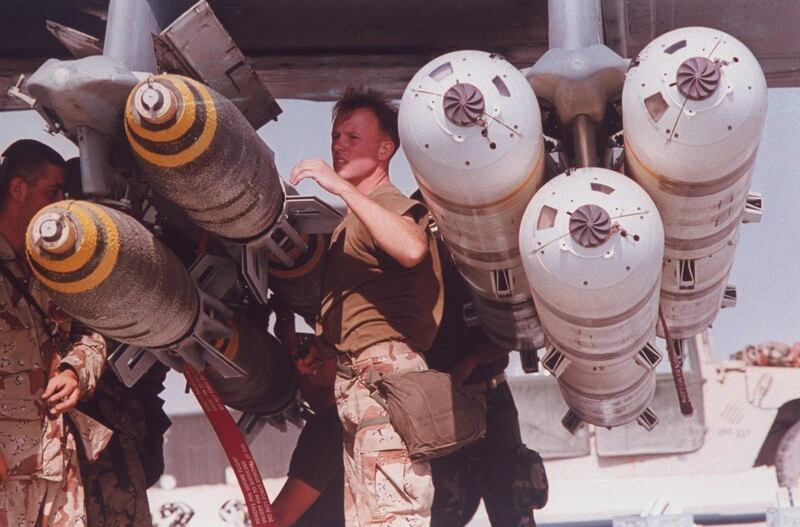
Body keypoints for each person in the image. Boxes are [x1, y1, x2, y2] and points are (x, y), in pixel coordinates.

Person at [290, 87, 444, 526]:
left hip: (386, 386)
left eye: (352, 138)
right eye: (335, 137)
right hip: (357, 388)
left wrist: (339, 186)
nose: (338, 146)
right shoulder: (353, 221)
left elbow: (412, 248)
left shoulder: (391, 206)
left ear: (385, 148)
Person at [0, 139, 111, 526]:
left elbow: (92, 331)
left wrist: (74, 371)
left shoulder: (54, 265)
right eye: (53, 192)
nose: (62, 202)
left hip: (57, 466)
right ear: (18, 189)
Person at [424, 233, 539, 527]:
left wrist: (472, 361)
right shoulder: (417, 287)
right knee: (445, 512)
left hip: (491, 402)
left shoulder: (484, 278)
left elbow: (519, 334)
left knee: (512, 503)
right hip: (443, 410)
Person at [271, 304, 344, 527]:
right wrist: (290, 343)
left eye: (319, 358)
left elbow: (280, 517)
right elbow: (323, 399)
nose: (307, 361)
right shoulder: (346, 416)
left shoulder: (327, 429)